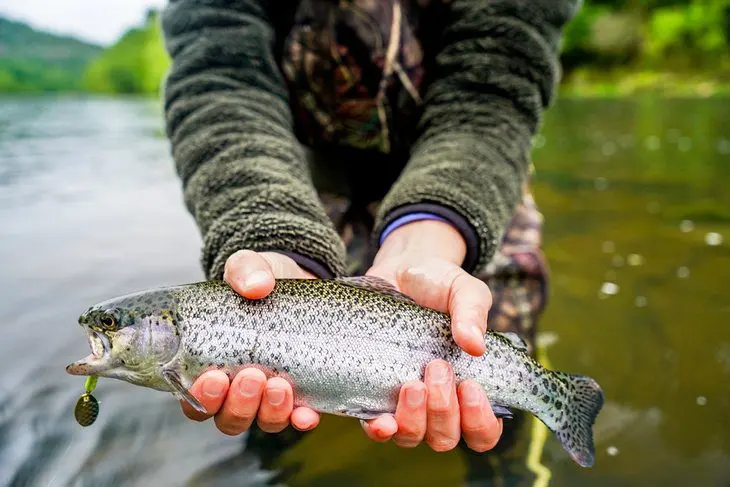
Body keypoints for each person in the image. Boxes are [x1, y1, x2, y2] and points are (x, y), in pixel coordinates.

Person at [160, 0, 578, 456]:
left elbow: (494, 85)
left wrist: (431, 236)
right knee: (262, 399)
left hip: (471, 176)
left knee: (482, 354)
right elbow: (221, 84)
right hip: (294, 184)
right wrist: (273, 239)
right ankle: (278, 459)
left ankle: (512, 455)